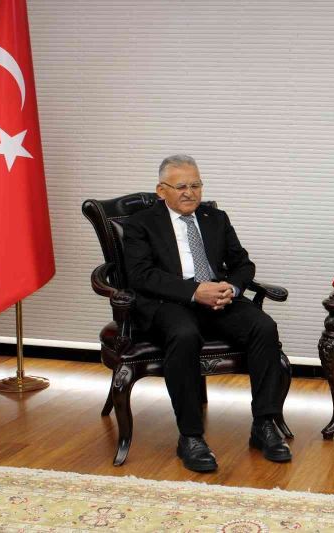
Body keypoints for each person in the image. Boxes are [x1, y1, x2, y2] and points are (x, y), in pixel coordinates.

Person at [123, 155, 291, 472]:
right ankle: (190, 436)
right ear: (161, 190)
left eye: (196, 185)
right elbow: (141, 275)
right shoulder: (141, 224)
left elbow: (243, 264)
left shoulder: (216, 218)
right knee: (184, 335)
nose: (190, 192)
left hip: (218, 299)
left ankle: (264, 424)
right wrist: (194, 291)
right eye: (181, 186)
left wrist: (232, 288)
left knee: (263, 327)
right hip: (169, 303)